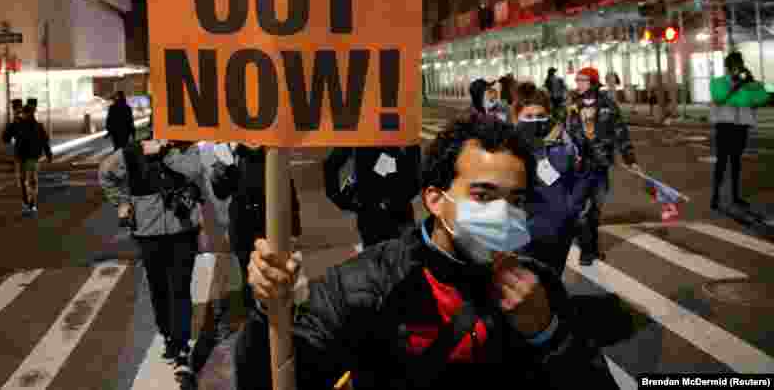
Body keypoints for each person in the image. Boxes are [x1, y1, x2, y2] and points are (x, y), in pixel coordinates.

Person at [235, 118, 618, 389]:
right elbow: (270, 377)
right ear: (435, 199)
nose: (502, 214)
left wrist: (548, 334)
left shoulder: (539, 287)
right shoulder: (368, 284)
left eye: (515, 200)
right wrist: (270, 311)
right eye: (483, 195)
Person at [102, 140, 209, 390]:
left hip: (183, 230)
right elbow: (105, 172)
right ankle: (169, 335)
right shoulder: (132, 151)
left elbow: (193, 170)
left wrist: (165, 152)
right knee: (158, 287)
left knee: (180, 288)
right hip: (148, 232)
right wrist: (122, 203)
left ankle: (182, 348)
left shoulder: (186, 147)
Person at [511, 83, 594, 276]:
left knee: (552, 284)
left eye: (541, 116)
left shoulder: (565, 146)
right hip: (523, 238)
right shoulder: (509, 151)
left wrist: (573, 209)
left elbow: (579, 180)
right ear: (516, 118)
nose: (536, 121)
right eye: (529, 117)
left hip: (558, 236)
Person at [213, 143, 302, 312]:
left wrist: (294, 230)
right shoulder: (232, 154)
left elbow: (288, 191)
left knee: (278, 280)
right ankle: (255, 323)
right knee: (250, 283)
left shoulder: (273, 154)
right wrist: (223, 170)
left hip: (272, 231)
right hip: (244, 232)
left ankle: (284, 320)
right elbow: (221, 191)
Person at [566, 67, 640, 266]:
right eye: (577, 80)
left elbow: (621, 132)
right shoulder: (573, 105)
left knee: (595, 210)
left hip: (601, 165)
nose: (578, 84)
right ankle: (586, 251)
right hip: (580, 167)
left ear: (592, 82)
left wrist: (630, 158)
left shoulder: (608, 105)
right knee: (580, 209)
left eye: (582, 80)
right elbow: (564, 132)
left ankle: (593, 246)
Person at [324, 145, 421, 249]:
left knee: (375, 259)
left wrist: (341, 199)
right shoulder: (404, 132)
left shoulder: (362, 132)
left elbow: (331, 164)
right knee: (404, 257)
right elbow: (416, 175)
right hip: (398, 211)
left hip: (371, 210)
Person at [710, 51, 770, 210]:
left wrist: (752, 84)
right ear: (728, 67)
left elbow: (763, 98)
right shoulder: (718, 82)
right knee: (721, 162)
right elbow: (719, 98)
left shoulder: (748, 84)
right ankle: (715, 196)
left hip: (741, 126)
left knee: (736, 163)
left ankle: (735, 197)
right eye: (734, 66)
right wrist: (737, 88)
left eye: (739, 66)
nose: (737, 69)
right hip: (724, 126)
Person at [2, 105, 52, 215]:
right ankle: (29, 203)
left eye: (29, 113)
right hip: (27, 157)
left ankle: (30, 203)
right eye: (29, 113)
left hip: (26, 157)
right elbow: (6, 138)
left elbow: (5, 138)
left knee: (27, 180)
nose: (30, 115)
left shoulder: (33, 125)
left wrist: (48, 154)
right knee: (27, 180)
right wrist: (48, 154)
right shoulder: (22, 125)